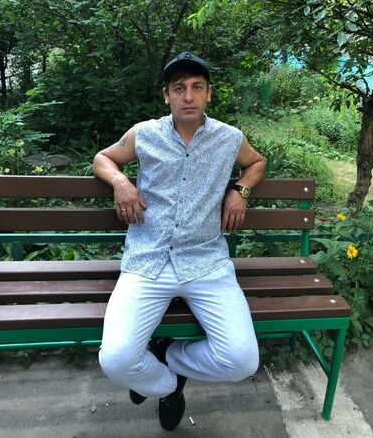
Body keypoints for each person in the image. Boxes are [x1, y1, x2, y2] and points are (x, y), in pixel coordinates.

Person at [93, 51, 266, 431]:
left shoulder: (229, 138)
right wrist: (120, 181)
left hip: (206, 261)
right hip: (147, 259)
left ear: (208, 94)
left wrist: (240, 191)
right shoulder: (144, 134)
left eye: (197, 87)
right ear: (167, 96)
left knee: (242, 361)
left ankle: (168, 354)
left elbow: (256, 163)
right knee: (116, 360)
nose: (188, 96)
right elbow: (102, 158)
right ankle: (168, 387)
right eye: (179, 88)